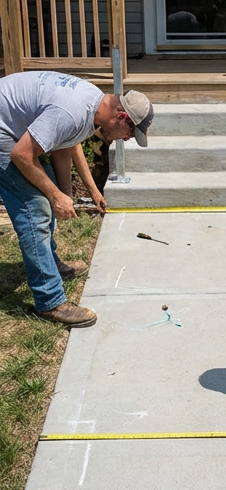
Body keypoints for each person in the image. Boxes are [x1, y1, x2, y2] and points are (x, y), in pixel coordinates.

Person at [0, 71, 152, 327]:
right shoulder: (72, 111)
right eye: (129, 133)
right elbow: (22, 156)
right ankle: (50, 302)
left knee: (45, 197)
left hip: (14, 130)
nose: (126, 139)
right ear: (121, 117)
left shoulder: (92, 103)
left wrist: (84, 191)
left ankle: (52, 264)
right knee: (35, 210)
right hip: (5, 134)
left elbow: (66, 143)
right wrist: (54, 195)